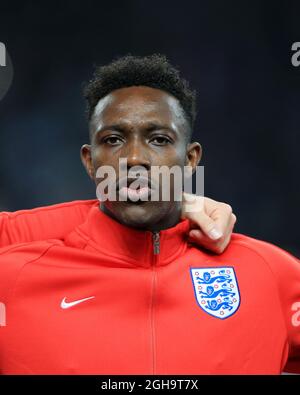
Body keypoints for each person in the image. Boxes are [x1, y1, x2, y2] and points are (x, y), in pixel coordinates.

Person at [0, 54, 299, 374]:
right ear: (90, 162)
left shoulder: (268, 274)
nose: (134, 157)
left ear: (190, 160)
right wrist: (163, 202)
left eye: (159, 139)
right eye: (113, 139)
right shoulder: (14, 277)